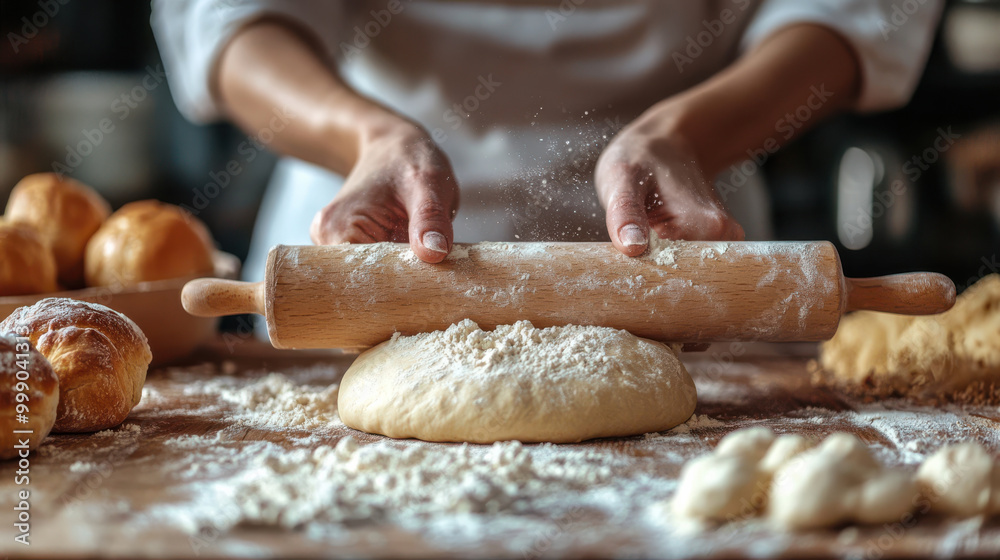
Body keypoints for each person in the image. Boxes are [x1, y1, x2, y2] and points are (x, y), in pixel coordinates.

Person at [153, 0, 942, 276]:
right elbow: (227, 18)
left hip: (683, 242)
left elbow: (854, 12)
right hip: (370, 240)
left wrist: (686, 134)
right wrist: (365, 136)